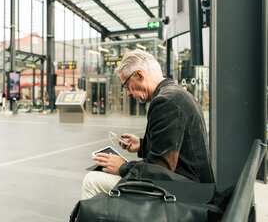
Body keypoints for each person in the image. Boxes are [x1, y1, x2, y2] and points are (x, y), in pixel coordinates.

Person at [81, 49, 214, 199]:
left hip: (186, 190)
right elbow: (173, 149)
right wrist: (142, 145)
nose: (128, 93)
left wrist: (122, 166)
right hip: (195, 184)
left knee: (92, 181)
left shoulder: (165, 101)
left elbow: (160, 168)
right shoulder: (177, 94)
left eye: (126, 85)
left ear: (139, 75)